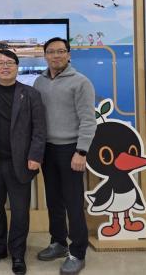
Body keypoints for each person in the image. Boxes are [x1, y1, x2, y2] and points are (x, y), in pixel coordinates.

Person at [0, 49, 46, 275]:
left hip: (21, 163)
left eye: (9, 62)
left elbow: (39, 129)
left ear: (16, 66)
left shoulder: (30, 94)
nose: (5, 66)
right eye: (0, 63)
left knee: (20, 212)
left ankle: (18, 254)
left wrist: (35, 156)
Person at [33, 37, 97, 275]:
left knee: (73, 203)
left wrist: (81, 151)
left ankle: (78, 252)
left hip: (71, 150)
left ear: (68, 55)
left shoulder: (81, 82)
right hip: (47, 150)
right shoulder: (39, 82)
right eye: (51, 52)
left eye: (61, 51)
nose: (56, 55)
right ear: (45, 56)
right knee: (53, 200)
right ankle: (58, 242)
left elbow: (88, 120)